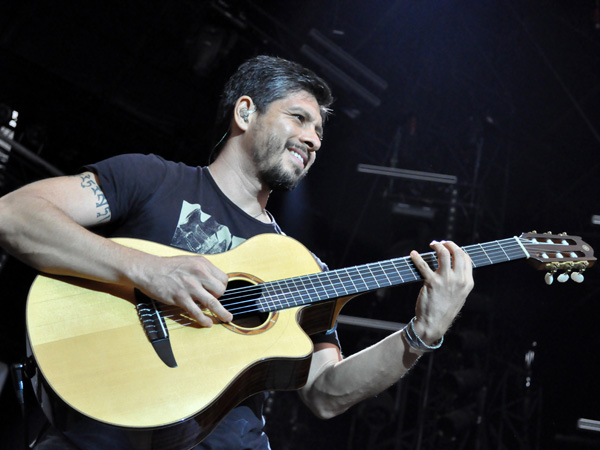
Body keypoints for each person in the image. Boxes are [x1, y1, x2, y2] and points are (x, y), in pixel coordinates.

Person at [0, 55, 474, 449]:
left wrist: (422, 334)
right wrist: (149, 270)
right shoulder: (152, 179)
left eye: (320, 133)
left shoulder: (304, 269)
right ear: (245, 113)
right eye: (299, 118)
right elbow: (15, 215)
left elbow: (326, 394)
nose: (313, 139)